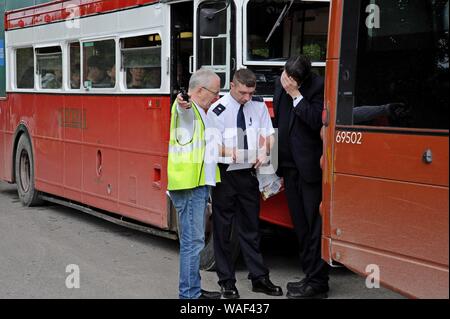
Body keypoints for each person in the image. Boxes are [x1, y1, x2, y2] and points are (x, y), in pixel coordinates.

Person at [207, 68, 283, 299]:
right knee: (223, 230)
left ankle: (259, 278)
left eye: (251, 93)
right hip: (226, 175)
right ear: (232, 85)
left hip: (249, 174)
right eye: (242, 93)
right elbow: (212, 146)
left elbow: (270, 135)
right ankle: (226, 282)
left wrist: (264, 150)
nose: (247, 98)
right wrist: (233, 152)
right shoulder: (217, 110)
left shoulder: (258, 106)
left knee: (251, 228)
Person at [273, 55, 330, 299]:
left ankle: (318, 283)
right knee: (300, 227)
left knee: (313, 227)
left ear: (303, 79)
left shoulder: (317, 87)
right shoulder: (279, 83)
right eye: (287, 76)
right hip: (288, 166)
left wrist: (297, 95)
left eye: (294, 79)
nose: (288, 82)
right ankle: (310, 276)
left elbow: (316, 120)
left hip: (309, 170)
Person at [167, 68, 222, 299]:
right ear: (200, 90)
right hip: (190, 186)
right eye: (216, 93)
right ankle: (189, 296)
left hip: (196, 185)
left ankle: (193, 290)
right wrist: (183, 102)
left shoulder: (202, 111)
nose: (218, 98)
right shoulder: (188, 110)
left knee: (194, 242)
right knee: (193, 243)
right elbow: (183, 109)